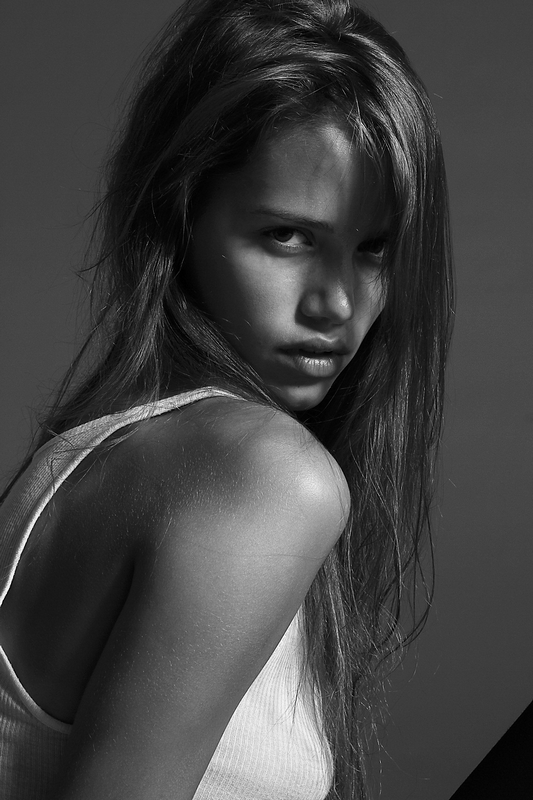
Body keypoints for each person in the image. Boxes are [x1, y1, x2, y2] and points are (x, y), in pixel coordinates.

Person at [0, 0, 453, 798]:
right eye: (286, 236)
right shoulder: (266, 476)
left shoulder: (78, 460)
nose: (335, 304)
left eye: (371, 249)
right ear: (181, 214)